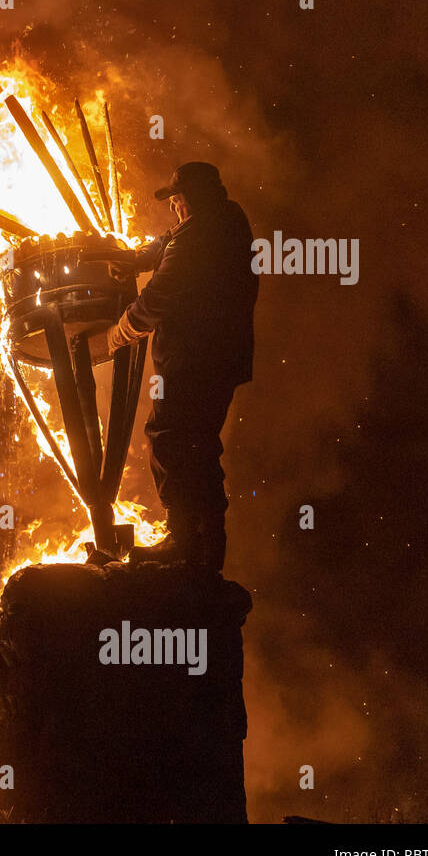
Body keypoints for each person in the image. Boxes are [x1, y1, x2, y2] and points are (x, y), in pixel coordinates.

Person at [98, 161, 259, 570]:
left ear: (188, 200)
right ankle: (203, 547)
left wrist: (120, 332)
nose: (173, 209)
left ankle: (186, 543)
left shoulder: (199, 239)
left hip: (195, 360)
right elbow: (169, 241)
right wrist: (136, 259)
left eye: (176, 201)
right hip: (218, 359)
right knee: (198, 444)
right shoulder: (225, 219)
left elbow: (158, 297)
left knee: (173, 439)